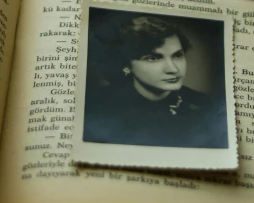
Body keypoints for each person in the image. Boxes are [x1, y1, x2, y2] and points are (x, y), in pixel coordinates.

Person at [83, 13, 228, 149]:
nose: (173, 69)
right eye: (154, 58)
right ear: (126, 65)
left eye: (177, 55)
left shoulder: (209, 109)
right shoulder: (96, 109)